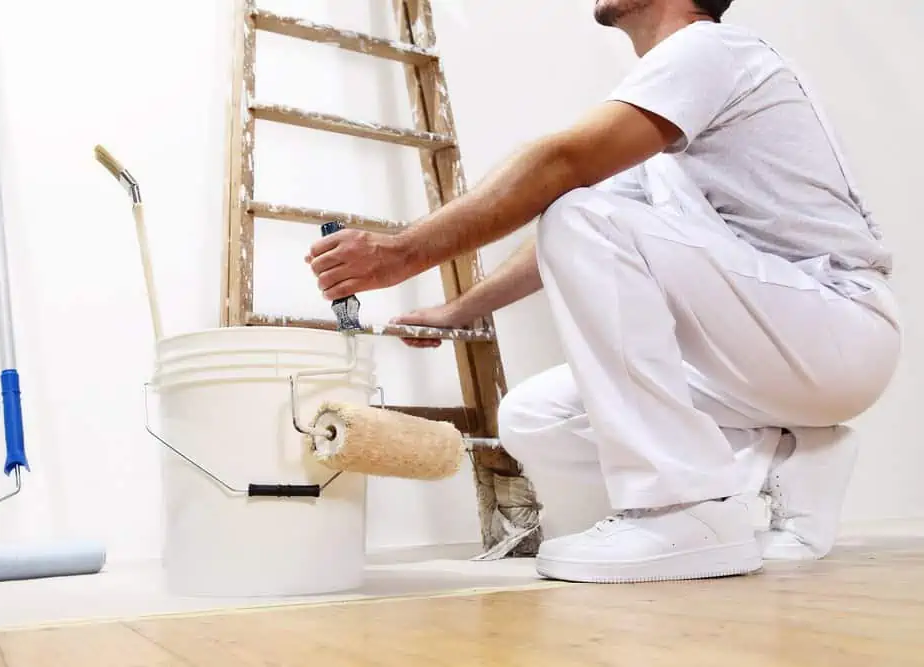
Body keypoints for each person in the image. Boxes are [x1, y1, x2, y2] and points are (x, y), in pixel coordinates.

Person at [305, 0, 901, 583]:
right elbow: (573, 237)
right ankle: (788, 458)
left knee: (577, 211)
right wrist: (455, 311)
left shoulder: (710, 49)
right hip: (777, 349)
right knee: (534, 416)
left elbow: (562, 169)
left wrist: (400, 254)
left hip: (834, 323)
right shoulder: (667, 122)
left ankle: (681, 510)